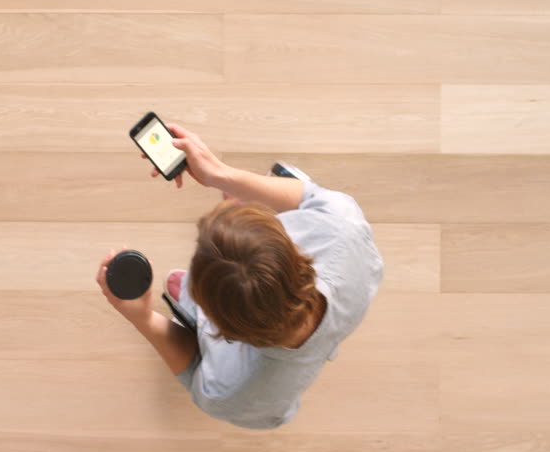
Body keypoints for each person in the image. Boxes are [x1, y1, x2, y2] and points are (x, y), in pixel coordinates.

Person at [95, 122, 384, 429]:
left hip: (263, 374)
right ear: (293, 252)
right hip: (345, 280)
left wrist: (143, 318)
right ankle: (255, 219)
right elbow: (312, 197)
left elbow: (196, 373)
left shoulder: (234, 392)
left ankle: (193, 315)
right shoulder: (344, 227)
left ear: (226, 332)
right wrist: (218, 173)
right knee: (315, 204)